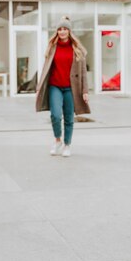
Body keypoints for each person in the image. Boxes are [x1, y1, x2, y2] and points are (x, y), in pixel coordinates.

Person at [35, 16, 90, 157]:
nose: (62, 31)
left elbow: (83, 72)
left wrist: (85, 91)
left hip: (71, 88)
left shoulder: (77, 49)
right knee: (55, 115)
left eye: (65, 29)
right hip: (55, 86)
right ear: (57, 32)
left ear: (69, 31)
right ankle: (58, 139)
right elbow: (45, 68)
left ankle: (67, 144)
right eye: (60, 29)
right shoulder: (52, 47)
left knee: (69, 118)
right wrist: (39, 86)